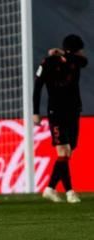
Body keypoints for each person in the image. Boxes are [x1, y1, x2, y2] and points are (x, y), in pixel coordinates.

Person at [33, 34, 87, 203]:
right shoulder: (52, 62)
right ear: (77, 49)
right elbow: (38, 87)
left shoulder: (64, 61)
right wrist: (36, 111)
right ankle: (70, 192)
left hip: (71, 111)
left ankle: (50, 189)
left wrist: (61, 52)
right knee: (63, 151)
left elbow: (83, 61)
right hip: (57, 112)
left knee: (68, 151)